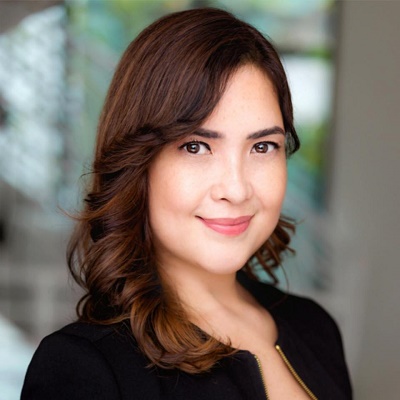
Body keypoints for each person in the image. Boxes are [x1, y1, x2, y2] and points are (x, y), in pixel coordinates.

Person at [21, 7, 352, 400]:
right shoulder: (85, 368)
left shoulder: (315, 327)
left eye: (263, 146)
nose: (236, 189)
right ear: (138, 164)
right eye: (196, 147)